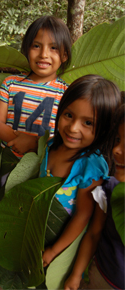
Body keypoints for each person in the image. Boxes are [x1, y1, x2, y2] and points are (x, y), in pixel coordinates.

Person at [39, 75, 121, 269]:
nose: (73, 128)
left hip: (61, 247)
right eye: (68, 115)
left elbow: (82, 217)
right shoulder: (50, 145)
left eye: (88, 123)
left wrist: (53, 251)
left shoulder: (91, 167)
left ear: (105, 128)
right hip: (38, 231)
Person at [0, 16, 71, 159]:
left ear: (64, 55)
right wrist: (21, 140)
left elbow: (64, 136)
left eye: (53, 48)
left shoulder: (67, 93)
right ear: (27, 49)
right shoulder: (10, 83)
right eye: (36, 46)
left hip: (43, 166)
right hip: (6, 162)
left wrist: (34, 144)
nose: (43, 54)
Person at [64, 102, 125, 290]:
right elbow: (93, 234)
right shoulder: (108, 189)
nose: (117, 150)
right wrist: (76, 275)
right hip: (101, 276)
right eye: (117, 139)